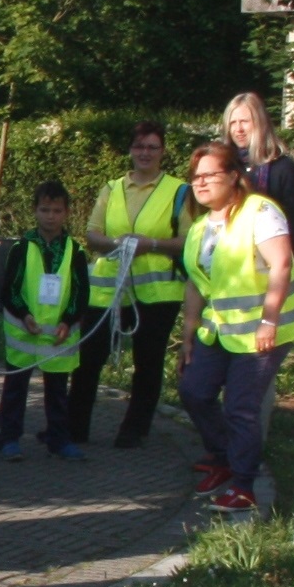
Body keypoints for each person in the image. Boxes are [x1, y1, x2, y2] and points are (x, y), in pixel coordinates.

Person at [174, 139, 294, 516]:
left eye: (210, 175)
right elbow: (195, 284)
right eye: (195, 177)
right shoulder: (202, 227)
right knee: (194, 391)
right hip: (221, 330)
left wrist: (269, 320)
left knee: (241, 407)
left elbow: (281, 263)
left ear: (234, 175)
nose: (200, 184)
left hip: (263, 331)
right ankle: (222, 458)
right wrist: (187, 338)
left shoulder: (260, 211)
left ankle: (245, 485)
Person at [69, 121, 189, 449]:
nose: (145, 153)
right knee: (89, 357)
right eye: (139, 146)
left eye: (152, 147)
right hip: (109, 289)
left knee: (147, 362)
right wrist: (116, 243)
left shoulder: (179, 191)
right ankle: (74, 427)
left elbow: (187, 242)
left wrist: (149, 244)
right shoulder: (112, 188)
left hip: (158, 293)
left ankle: (134, 430)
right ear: (130, 150)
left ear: (162, 151)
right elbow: (92, 233)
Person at [0, 180, 90, 461]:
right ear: (35, 211)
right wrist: (24, 315)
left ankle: (59, 438)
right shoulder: (21, 248)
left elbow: (81, 290)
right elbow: (9, 288)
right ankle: (9, 437)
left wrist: (69, 320)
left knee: (58, 391)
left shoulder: (76, 250)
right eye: (45, 209)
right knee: (15, 389)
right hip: (25, 333)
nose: (51, 216)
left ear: (67, 213)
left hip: (60, 334)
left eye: (57, 211)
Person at [223, 92, 294, 247]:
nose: (238, 129)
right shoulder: (225, 165)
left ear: (260, 123)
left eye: (244, 121)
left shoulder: (282, 168)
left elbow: (292, 224)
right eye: (233, 123)